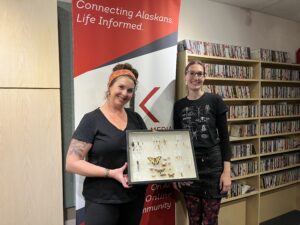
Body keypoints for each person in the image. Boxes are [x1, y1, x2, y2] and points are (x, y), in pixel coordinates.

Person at [66, 63, 147, 225]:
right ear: (109, 86)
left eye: (130, 90)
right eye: (121, 87)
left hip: (133, 198)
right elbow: (71, 163)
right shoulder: (92, 120)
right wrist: (110, 173)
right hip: (101, 200)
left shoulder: (136, 118)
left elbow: (145, 152)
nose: (125, 93)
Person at [173, 60, 231, 225]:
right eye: (192, 73)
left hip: (213, 168)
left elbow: (225, 139)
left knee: (210, 221)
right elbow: (178, 141)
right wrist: (178, 173)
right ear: (185, 77)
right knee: (194, 220)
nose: (195, 77)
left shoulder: (215, 100)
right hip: (190, 168)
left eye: (200, 74)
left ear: (204, 77)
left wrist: (226, 173)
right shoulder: (179, 106)